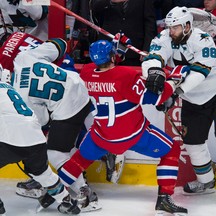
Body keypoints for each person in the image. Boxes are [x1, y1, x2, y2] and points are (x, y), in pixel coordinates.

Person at [141, 6, 216, 213]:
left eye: (175, 27)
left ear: (187, 26)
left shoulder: (202, 39)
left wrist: (175, 94)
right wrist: (153, 72)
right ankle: (206, 182)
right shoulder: (165, 37)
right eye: (169, 27)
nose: (171, 31)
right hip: (193, 99)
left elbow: (199, 73)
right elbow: (153, 57)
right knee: (193, 144)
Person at [58, 39, 188, 215]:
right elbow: (156, 97)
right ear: (112, 56)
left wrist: (117, 49)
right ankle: (164, 198)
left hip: (101, 137)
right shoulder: (125, 75)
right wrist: (173, 81)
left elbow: (105, 70)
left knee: (79, 160)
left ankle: (52, 191)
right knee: (171, 150)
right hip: (133, 135)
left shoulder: (87, 72)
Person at [0, 32, 100, 212]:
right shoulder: (24, 57)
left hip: (69, 107)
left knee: (55, 153)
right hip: (81, 88)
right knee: (79, 139)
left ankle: (85, 195)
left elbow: (42, 120)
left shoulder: (19, 93)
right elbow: (60, 44)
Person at [0, 77, 80, 215]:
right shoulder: (9, 88)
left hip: (11, 140)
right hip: (36, 139)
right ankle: (67, 202)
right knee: (43, 173)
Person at [90, 0, 157, 66]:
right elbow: (94, 7)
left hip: (134, 50)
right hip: (107, 50)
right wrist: (111, 1)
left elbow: (150, 23)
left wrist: (146, 49)